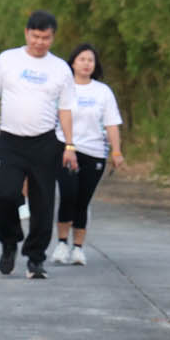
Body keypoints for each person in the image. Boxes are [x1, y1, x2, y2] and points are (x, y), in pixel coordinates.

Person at [0, 10, 77, 279]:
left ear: (53, 38)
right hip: (10, 141)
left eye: (45, 38)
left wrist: (69, 146)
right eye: (35, 37)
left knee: (42, 203)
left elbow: (66, 109)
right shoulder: (7, 59)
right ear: (26, 33)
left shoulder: (60, 68)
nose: (39, 42)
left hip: (45, 143)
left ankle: (35, 258)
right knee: (7, 196)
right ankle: (9, 243)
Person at [52, 43, 126, 265]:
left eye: (90, 60)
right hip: (66, 149)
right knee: (68, 194)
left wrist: (116, 151)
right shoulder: (63, 89)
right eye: (82, 59)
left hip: (94, 152)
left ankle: (78, 248)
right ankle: (62, 243)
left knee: (82, 200)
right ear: (73, 63)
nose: (86, 64)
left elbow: (111, 124)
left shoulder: (103, 92)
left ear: (95, 65)